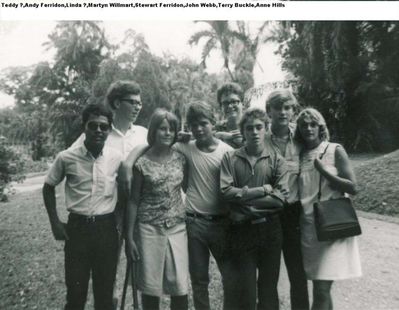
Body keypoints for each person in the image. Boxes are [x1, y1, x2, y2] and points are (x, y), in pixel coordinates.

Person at [42, 103, 123, 310]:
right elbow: (48, 187)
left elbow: (124, 190)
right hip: (77, 230)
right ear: (84, 127)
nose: (98, 130)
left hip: (106, 230)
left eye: (103, 127)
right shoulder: (67, 157)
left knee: (105, 294)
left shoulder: (116, 158)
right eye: (93, 125)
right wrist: (55, 223)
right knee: (76, 294)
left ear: (109, 130)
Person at [220, 107, 289, 310]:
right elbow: (225, 192)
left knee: (269, 291)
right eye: (249, 128)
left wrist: (244, 203)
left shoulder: (277, 159)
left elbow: (280, 199)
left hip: (270, 231)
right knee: (246, 292)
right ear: (243, 131)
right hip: (241, 231)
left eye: (259, 127)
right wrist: (261, 190)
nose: (254, 132)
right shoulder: (230, 158)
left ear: (266, 129)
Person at [294, 108, 362, 310]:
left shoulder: (334, 149)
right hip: (308, 229)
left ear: (320, 127)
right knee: (321, 287)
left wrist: (324, 171)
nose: (308, 128)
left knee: (321, 290)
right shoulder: (299, 155)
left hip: (332, 227)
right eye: (304, 124)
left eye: (313, 124)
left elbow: (353, 187)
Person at [125, 109, 188, 310]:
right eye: (162, 128)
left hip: (177, 227)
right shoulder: (141, 163)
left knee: (180, 286)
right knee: (151, 288)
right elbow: (133, 201)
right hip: (148, 228)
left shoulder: (181, 158)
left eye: (171, 129)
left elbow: (187, 188)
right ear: (153, 130)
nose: (167, 133)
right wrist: (129, 237)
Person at [265, 90, 309, 310]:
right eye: (277, 107)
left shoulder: (301, 136)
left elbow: (323, 143)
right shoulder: (259, 138)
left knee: (297, 273)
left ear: (293, 111)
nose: (282, 112)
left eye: (287, 107)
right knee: (268, 274)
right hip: (268, 214)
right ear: (268, 112)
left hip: (294, 212)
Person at [214, 82, 245, 148]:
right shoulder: (218, 128)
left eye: (234, 102)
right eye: (225, 103)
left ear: (243, 104)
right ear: (220, 107)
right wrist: (218, 135)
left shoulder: (252, 125)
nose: (230, 106)